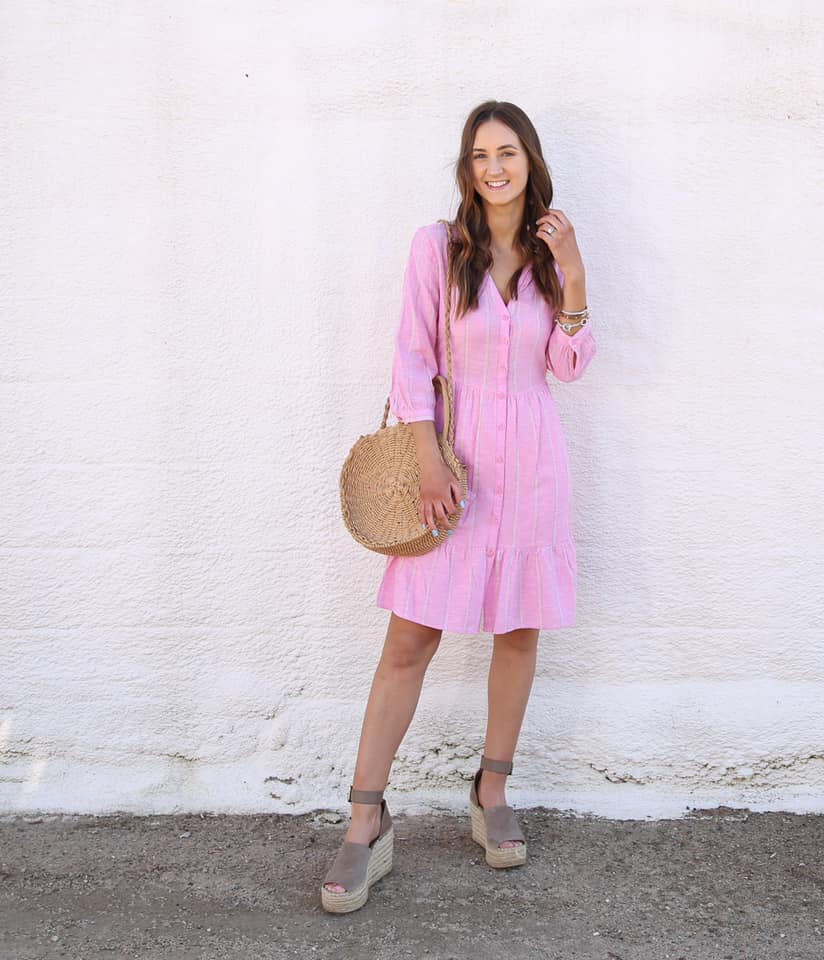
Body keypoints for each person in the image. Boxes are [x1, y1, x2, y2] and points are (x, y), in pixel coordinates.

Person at [321, 100, 597, 914]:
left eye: (507, 151)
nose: (493, 166)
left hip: (534, 467)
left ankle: (492, 787)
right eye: (479, 154)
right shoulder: (436, 249)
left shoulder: (551, 254)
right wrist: (426, 454)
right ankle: (365, 821)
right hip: (454, 461)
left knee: (519, 628)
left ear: (530, 161)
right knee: (411, 637)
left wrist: (574, 272)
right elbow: (412, 355)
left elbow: (568, 366)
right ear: (467, 168)